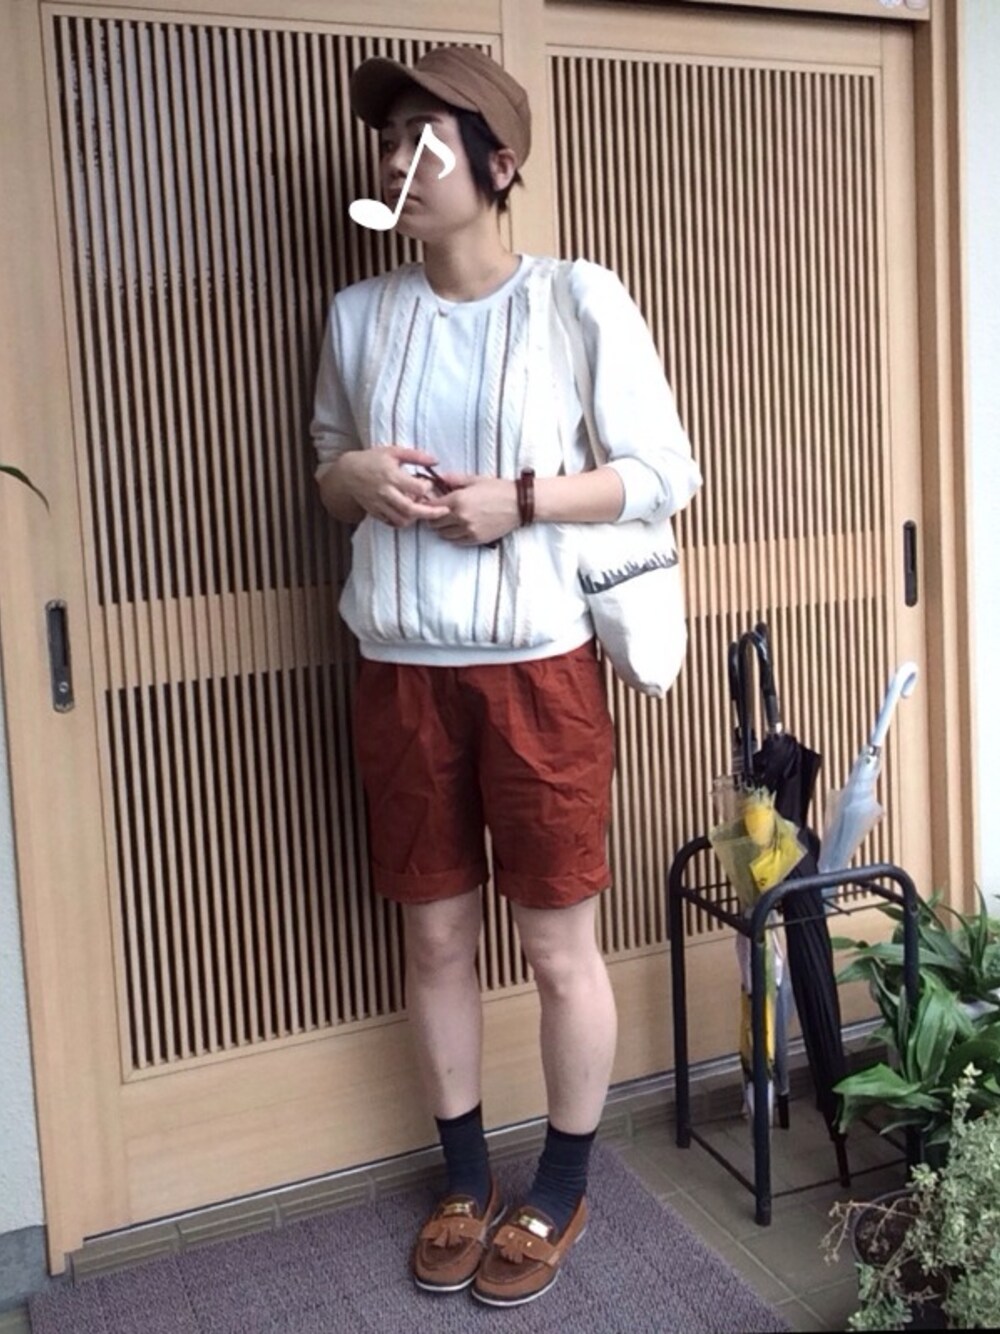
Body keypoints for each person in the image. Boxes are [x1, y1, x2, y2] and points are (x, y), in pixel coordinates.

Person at [311, 44, 701, 1308]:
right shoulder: (358, 315)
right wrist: (350, 477)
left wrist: (521, 499)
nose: (398, 159)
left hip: (538, 669)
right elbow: (329, 465)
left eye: (426, 138)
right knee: (433, 935)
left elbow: (663, 473)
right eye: (389, 140)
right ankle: (465, 1180)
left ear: (500, 163)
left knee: (555, 945)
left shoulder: (577, 298)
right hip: (399, 667)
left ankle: (562, 1183)